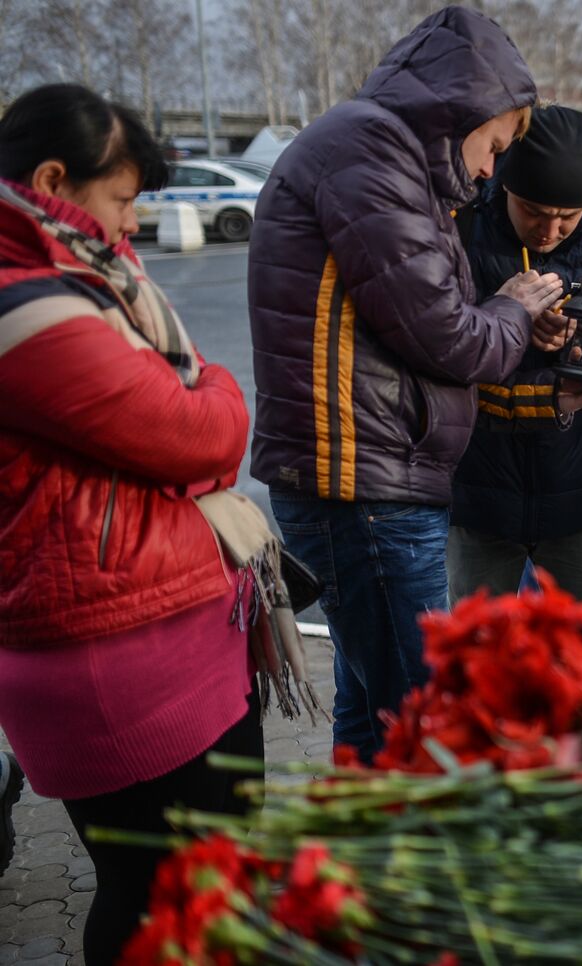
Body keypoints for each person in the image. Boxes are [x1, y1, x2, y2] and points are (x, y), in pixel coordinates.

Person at [248, 7, 582, 763]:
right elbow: (451, 338)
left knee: (372, 705)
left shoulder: (377, 154)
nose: (489, 170)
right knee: (419, 722)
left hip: (370, 477)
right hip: (363, 486)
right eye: (496, 146)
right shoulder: (370, 154)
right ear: (465, 111)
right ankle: (412, 872)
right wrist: (514, 309)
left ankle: (359, 867)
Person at [0, 84, 264, 964]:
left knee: (212, 875)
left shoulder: (81, 274)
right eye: (118, 200)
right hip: (105, 649)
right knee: (157, 890)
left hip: (165, 621)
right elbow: (204, 433)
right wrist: (219, 384)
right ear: (51, 180)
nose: (129, 223)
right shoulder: (29, 309)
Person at [449, 107, 582, 614]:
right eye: (534, 213)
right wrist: (508, 317)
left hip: (576, 479)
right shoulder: (464, 222)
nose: (549, 231)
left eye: (567, 218)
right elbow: (440, 334)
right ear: (505, 190)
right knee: (481, 651)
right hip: (480, 484)